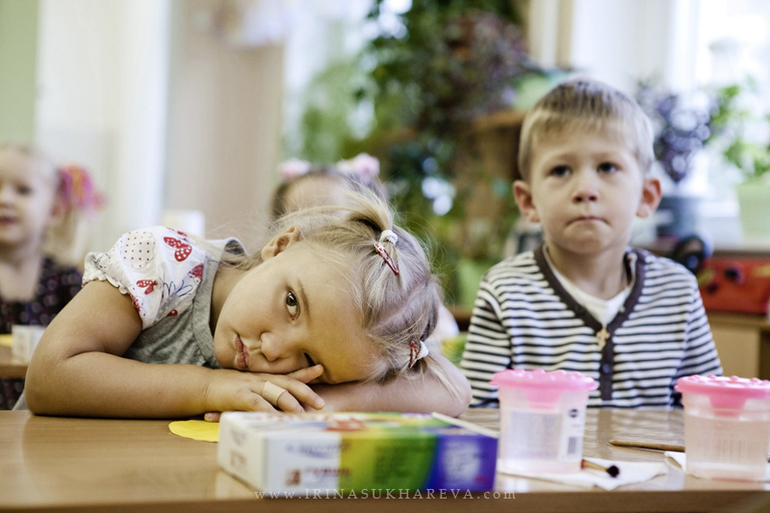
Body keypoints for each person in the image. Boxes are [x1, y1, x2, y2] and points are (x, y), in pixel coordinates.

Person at [22, 189, 471, 418]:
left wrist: (327, 405)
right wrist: (208, 388)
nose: (274, 351)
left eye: (311, 361)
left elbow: (455, 388)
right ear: (280, 245)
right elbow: (50, 376)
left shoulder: (326, 356)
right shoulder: (163, 264)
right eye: (292, 303)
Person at [460, 79, 722, 409]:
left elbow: (709, 410)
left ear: (646, 195)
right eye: (561, 170)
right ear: (528, 201)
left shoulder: (678, 292)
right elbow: (476, 414)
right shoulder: (505, 291)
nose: (585, 189)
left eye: (607, 167)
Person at [271, 153, 461, 346]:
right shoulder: (269, 305)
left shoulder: (406, 311)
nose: (317, 233)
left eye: (330, 219)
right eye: (301, 221)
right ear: (280, 240)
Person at [0, 143, 101, 410]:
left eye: (23, 190)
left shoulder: (66, 281)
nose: (5, 199)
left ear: (54, 211)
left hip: (45, 418)